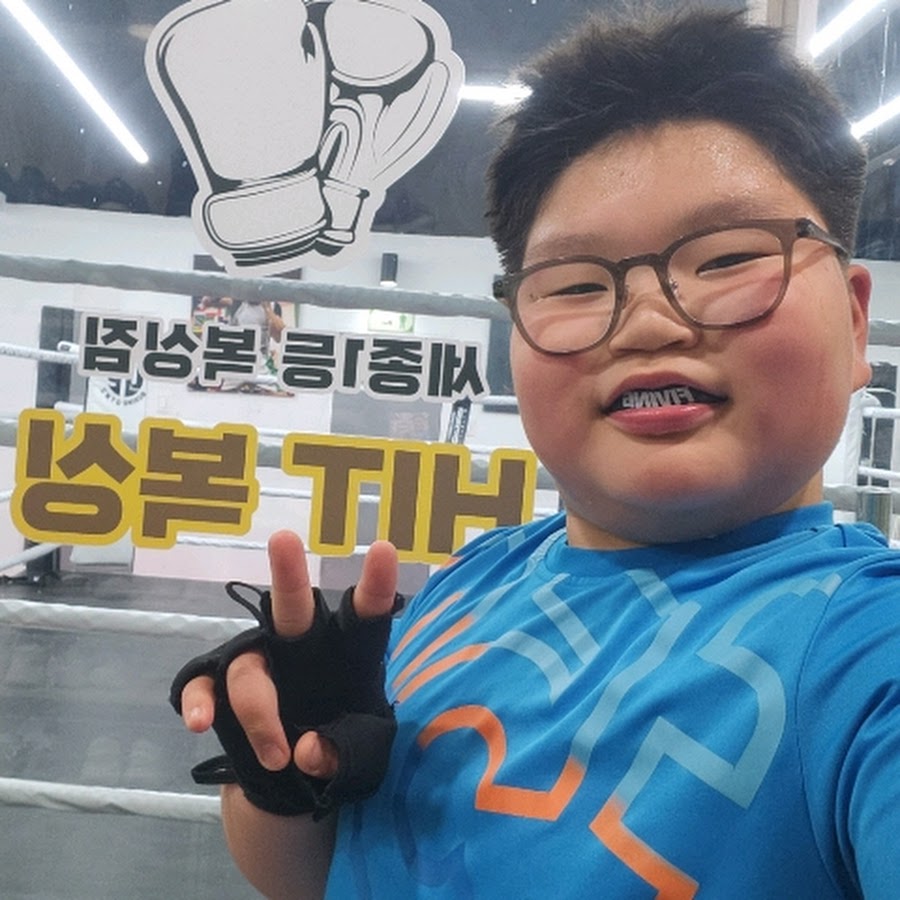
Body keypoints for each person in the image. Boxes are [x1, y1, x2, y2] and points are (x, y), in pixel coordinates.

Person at [174, 7, 900, 898]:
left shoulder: (866, 647)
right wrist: (284, 774)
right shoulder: (473, 581)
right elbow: (316, 877)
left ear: (855, 320)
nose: (649, 321)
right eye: (577, 283)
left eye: (725, 259)